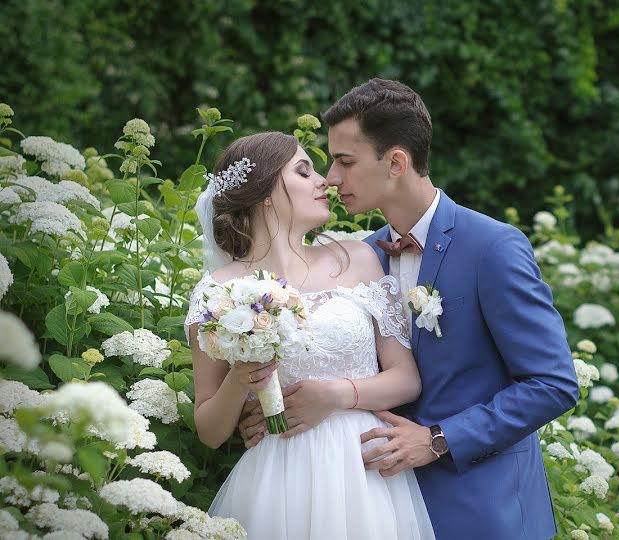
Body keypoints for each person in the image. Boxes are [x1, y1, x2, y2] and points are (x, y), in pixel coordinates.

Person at [239, 79, 580, 539]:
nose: (332, 179)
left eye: (345, 161)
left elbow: (553, 383)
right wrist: (272, 410)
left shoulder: (492, 247)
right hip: (378, 504)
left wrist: (439, 439)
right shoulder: (360, 257)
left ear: (396, 162)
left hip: (483, 506)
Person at [185, 131, 436, 539]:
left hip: (362, 468)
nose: (324, 180)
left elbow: (406, 379)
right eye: (304, 171)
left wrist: (336, 394)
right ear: (265, 193)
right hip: (279, 474)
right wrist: (242, 377)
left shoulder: (356, 259)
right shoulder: (217, 293)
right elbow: (210, 431)